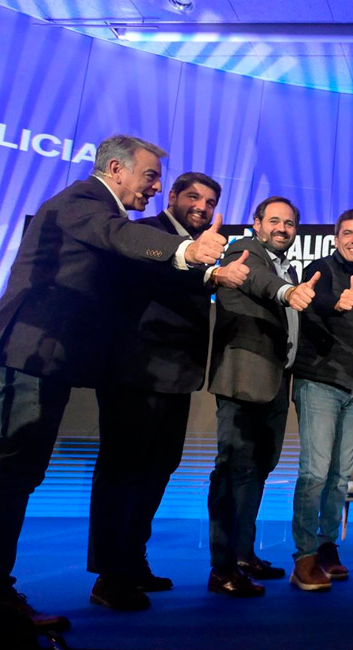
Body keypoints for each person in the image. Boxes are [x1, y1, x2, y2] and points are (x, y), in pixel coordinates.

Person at [0, 134, 226, 628]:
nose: (154, 186)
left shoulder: (99, 209)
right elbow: (118, 238)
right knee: (17, 471)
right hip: (35, 350)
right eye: (149, 175)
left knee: (15, 470)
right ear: (115, 168)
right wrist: (188, 252)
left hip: (52, 357)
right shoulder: (83, 202)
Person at [87, 171, 252, 611]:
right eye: (194, 197)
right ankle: (108, 575)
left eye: (211, 201)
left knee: (158, 468)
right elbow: (153, 277)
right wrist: (210, 276)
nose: (202, 206)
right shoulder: (147, 233)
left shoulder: (201, 248)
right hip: (133, 372)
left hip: (177, 375)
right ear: (174, 197)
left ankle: (131, 560)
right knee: (122, 471)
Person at [207, 196, 317, 597]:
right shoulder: (245, 252)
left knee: (256, 472)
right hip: (243, 380)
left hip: (274, 382)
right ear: (257, 224)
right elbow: (255, 279)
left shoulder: (285, 265)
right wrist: (287, 293)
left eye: (289, 223)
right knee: (232, 471)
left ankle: (242, 554)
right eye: (274, 221)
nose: (282, 229)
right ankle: (221, 569)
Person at [289, 209, 353, 591]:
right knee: (315, 472)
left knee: (339, 476)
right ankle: (304, 556)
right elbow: (310, 302)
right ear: (336, 237)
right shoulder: (321, 268)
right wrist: (334, 304)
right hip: (320, 381)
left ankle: (327, 546)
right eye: (348, 233)